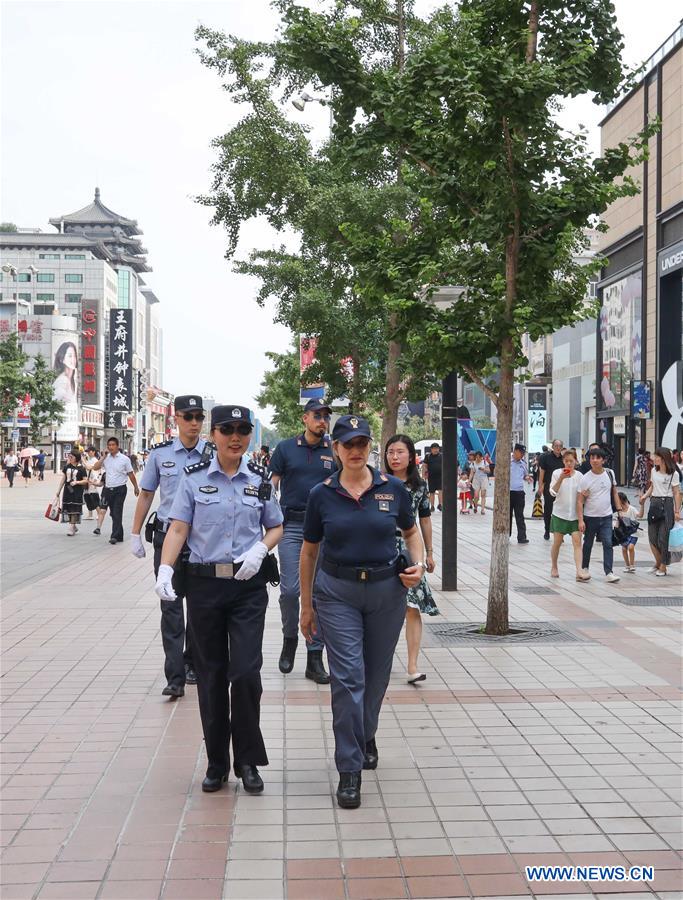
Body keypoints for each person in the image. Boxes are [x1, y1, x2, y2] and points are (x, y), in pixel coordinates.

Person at [156, 404, 283, 795]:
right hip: (206, 588)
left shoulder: (259, 478)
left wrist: (261, 550)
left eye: (243, 429)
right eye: (227, 429)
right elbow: (178, 528)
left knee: (245, 673)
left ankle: (247, 759)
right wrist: (165, 568)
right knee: (210, 676)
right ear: (214, 434)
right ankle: (216, 762)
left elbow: (276, 525)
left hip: (247, 588)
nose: (235, 436)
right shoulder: (193, 479)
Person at [299, 415, 424, 809]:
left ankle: (366, 731)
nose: (355, 451)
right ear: (335, 449)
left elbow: (411, 532)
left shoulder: (394, 489)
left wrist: (417, 566)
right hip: (337, 594)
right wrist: (306, 605)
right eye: (347, 444)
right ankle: (349, 768)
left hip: (387, 592)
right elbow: (309, 551)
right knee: (348, 678)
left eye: (362, 443)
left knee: (376, 674)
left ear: (370, 447)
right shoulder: (321, 494)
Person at [131, 395, 206, 699]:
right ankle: (174, 675)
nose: (193, 423)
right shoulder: (160, 455)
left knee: (200, 608)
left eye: (198, 417)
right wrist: (135, 533)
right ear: (175, 419)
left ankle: (191, 663)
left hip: (201, 542)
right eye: (187, 417)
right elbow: (147, 494)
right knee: (171, 608)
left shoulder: (213, 454)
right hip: (166, 540)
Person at [268, 398, 335, 684]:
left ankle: (314, 656)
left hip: (323, 530)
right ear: (304, 419)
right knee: (290, 590)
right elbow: (271, 486)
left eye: (325, 417)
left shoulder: (334, 450)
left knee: (318, 592)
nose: (322, 421)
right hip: (291, 527)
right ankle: (289, 639)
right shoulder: (285, 448)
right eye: (317, 416)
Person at [385, 435, 439, 683]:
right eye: (390, 452)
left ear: (411, 457)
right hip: (380, 549)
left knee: (412, 606)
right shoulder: (378, 481)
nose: (394, 457)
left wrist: (429, 552)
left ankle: (412, 666)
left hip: (409, 551)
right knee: (381, 607)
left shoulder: (419, 486)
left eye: (399, 452)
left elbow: (425, 519)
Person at [577, 447, 621, 583]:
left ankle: (609, 572)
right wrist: (580, 520)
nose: (594, 460)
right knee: (588, 543)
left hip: (607, 516)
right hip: (590, 517)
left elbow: (614, 492)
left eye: (597, 458)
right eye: (592, 458)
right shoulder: (585, 478)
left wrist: (619, 510)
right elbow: (579, 501)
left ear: (603, 460)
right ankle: (584, 568)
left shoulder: (610, 473)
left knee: (608, 543)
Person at [639, 447, 682, 577]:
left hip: (667, 504)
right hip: (654, 504)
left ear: (663, 458)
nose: (654, 458)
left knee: (664, 538)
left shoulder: (673, 473)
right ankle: (658, 563)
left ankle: (663, 567)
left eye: (656, 456)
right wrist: (645, 496)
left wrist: (677, 511)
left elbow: (676, 493)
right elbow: (652, 487)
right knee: (652, 537)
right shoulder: (653, 471)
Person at [91, 436, 140, 544]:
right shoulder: (106, 459)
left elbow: (131, 474)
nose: (111, 447)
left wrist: (136, 487)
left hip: (120, 489)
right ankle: (120, 535)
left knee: (117, 512)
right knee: (113, 513)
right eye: (109, 445)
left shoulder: (124, 459)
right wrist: (103, 457)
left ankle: (114, 536)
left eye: (113, 445)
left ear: (117, 446)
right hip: (108, 489)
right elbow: (95, 467)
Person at [548, 449, 583, 579]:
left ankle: (579, 571)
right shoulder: (557, 473)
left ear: (575, 461)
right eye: (566, 461)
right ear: (563, 461)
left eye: (571, 461)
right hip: (559, 514)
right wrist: (562, 478)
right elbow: (553, 492)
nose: (569, 463)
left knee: (577, 541)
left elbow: (582, 495)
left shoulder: (580, 476)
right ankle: (554, 566)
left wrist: (581, 518)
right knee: (557, 542)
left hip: (574, 515)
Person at [54, 451, 88, 536]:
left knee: (74, 508)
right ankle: (74, 525)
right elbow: (63, 479)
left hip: (77, 490)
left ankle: (72, 527)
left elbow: (85, 480)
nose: (70, 458)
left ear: (76, 458)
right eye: (69, 457)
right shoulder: (67, 467)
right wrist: (59, 490)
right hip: (67, 490)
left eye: (71, 457)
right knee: (68, 508)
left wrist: (77, 482)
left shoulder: (82, 468)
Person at [537, 439, 565, 540]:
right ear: (552, 447)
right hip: (549, 488)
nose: (558, 448)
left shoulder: (564, 459)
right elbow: (542, 473)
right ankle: (547, 530)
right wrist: (540, 487)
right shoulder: (545, 458)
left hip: (562, 489)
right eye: (556, 445)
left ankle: (559, 533)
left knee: (560, 511)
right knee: (548, 510)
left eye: (560, 446)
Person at [510, 443, 532, 543]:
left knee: (520, 515)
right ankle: (506, 534)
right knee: (508, 515)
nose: (522, 455)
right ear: (515, 451)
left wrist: (527, 478)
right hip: (509, 492)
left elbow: (525, 475)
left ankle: (522, 537)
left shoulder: (523, 464)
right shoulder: (508, 462)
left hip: (519, 493)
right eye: (521, 452)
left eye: (523, 453)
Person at [615, 492, 641, 574]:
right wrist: (615, 529)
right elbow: (618, 521)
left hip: (633, 532)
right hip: (624, 533)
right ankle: (627, 565)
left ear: (622, 500)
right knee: (624, 548)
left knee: (630, 547)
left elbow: (639, 515)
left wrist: (642, 505)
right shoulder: (619, 511)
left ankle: (632, 565)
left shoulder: (632, 509)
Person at [422, 443, 443, 511]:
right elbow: (424, 466)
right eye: (434, 448)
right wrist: (423, 476)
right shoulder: (428, 456)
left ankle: (440, 505)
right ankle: (432, 506)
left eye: (437, 448)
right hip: (431, 477)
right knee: (432, 492)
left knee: (440, 490)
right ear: (431, 449)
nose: (436, 450)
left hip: (440, 476)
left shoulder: (442, 456)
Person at [470, 451, 490, 515]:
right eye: (476, 457)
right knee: (476, 495)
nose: (478, 458)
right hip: (476, 479)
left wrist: (483, 469)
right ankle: (475, 506)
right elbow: (471, 473)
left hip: (484, 479)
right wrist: (468, 481)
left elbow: (489, 471)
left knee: (483, 494)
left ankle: (482, 509)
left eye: (479, 457)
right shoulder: (473, 463)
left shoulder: (484, 462)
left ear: (481, 457)